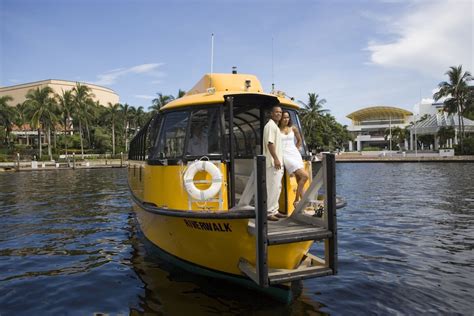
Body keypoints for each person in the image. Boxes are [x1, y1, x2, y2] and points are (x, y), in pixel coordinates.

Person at [279, 111, 309, 207]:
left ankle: (303, 203)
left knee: (299, 178)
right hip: (286, 156)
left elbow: (300, 140)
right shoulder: (277, 130)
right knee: (305, 176)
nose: (286, 119)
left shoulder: (293, 128)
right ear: (280, 119)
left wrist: (296, 148)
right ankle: (296, 200)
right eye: (284, 117)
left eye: (288, 117)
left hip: (295, 154)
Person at [263, 106, 286, 221]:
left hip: (277, 163)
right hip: (273, 163)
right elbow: (270, 143)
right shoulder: (270, 126)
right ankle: (269, 212)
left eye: (280, 112)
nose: (279, 114)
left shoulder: (274, 126)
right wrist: (276, 159)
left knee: (277, 187)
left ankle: (275, 210)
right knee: (272, 188)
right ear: (271, 114)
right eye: (276, 112)